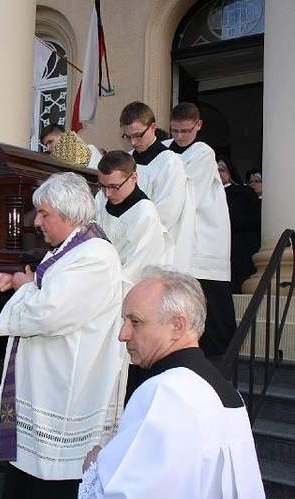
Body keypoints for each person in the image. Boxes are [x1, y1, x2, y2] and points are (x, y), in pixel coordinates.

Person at [0, 172, 126, 498]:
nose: (37, 222)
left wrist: (24, 288)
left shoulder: (95, 255)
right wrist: (25, 285)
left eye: (44, 214)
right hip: (46, 383)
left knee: (50, 480)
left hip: (68, 390)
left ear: (68, 214)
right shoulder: (68, 249)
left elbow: (48, 313)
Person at [78, 267, 265, 499]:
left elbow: (126, 494)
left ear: (178, 325)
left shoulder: (166, 392)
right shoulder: (224, 391)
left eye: (135, 321)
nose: (123, 334)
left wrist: (94, 468)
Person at [165, 102, 236, 357]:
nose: (181, 137)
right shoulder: (162, 149)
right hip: (177, 233)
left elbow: (186, 192)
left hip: (202, 234)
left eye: (186, 131)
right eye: (175, 131)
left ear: (198, 125)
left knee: (210, 297)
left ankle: (222, 355)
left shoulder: (203, 153)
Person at [120, 101, 194, 272]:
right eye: (128, 136)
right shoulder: (126, 161)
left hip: (153, 247)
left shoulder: (169, 162)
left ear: (152, 127)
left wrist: (134, 234)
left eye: (138, 135)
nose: (133, 142)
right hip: (124, 244)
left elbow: (167, 212)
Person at [94, 151, 170, 287]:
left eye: (114, 186)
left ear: (133, 178)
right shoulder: (100, 198)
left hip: (121, 288)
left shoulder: (145, 215)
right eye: (102, 186)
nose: (107, 193)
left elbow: (133, 272)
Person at [217, 159, 261, 293]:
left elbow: (253, 220)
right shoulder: (207, 193)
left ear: (230, 172)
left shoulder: (244, 192)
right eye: (215, 170)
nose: (218, 173)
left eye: (221, 170)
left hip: (240, 245)